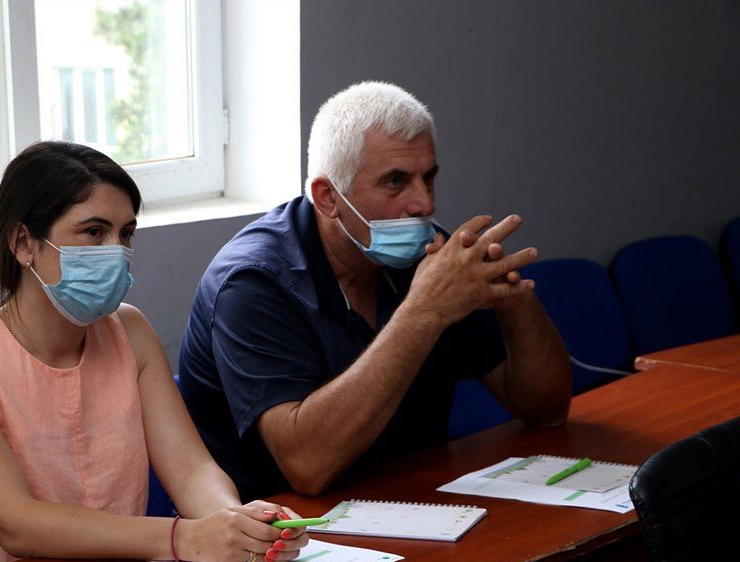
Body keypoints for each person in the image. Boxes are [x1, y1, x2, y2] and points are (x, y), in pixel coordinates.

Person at [0, 141, 308, 562]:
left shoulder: (130, 331)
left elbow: (192, 470)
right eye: (94, 232)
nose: (116, 251)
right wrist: (186, 538)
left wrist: (238, 523)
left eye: (125, 234)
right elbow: (16, 524)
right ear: (24, 243)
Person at [178, 81, 572, 501]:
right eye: (396, 182)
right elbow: (307, 466)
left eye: (428, 178)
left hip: (416, 501)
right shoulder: (252, 282)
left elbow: (545, 411)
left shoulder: (424, 254)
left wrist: (513, 299)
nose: (424, 204)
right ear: (328, 198)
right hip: (285, 527)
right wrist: (424, 311)